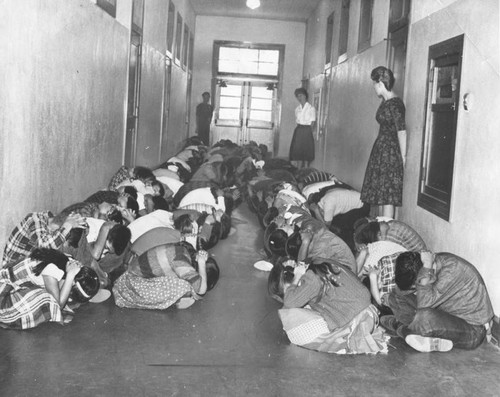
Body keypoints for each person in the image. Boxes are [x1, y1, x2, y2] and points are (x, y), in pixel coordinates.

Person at [268, 258, 387, 354]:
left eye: (289, 289)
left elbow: (290, 302)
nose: (292, 290)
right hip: (366, 310)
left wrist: (297, 277)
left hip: (359, 318)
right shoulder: (316, 264)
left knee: (289, 313)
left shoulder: (310, 278)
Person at [381, 251, 494, 353]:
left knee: (424, 317)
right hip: (444, 315)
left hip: (473, 331)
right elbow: (401, 291)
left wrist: (426, 267)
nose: (416, 288)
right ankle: (419, 333)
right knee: (395, 295)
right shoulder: (430, 264)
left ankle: (400, 328)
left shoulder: (451, 269)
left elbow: (424, 305)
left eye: (416, 284)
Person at [0, 248, 100, 329]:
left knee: (51, 297)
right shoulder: (53, 269)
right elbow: (57, 305)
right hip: (3, 293)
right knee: (47, 299)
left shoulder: (67, 262)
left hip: (12, 289)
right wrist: (70, 276)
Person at [360, 66, 406, 219]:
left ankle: (386, 236)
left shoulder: (395, 103)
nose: (374, 87)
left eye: (374, 83)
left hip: (391, 152)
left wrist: (403, 157)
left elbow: (401, 130)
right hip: (381, 149)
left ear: (380, 83)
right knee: (381, 194)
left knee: (387, 197)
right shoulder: (385, 102)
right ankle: (380, 230)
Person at [2, 211, 87, 268]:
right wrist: (68, 225)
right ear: (56, 230)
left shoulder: (50, 228)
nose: (60, 246)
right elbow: (44, 246)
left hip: (27, 266)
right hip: (11, 270)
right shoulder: (35, 219)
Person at [289, 88, 316, 169]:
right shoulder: (297, 109)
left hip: (307, 131)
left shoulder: (311, 108)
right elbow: (298, 122)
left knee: (306, 154)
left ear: (305, 96)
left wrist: (307, 133)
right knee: (298, 154)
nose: (299, 98)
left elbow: (313, 123)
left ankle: (306, 171)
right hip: (299, 131)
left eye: (300, 95)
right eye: (297, 96)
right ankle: (298, 172)